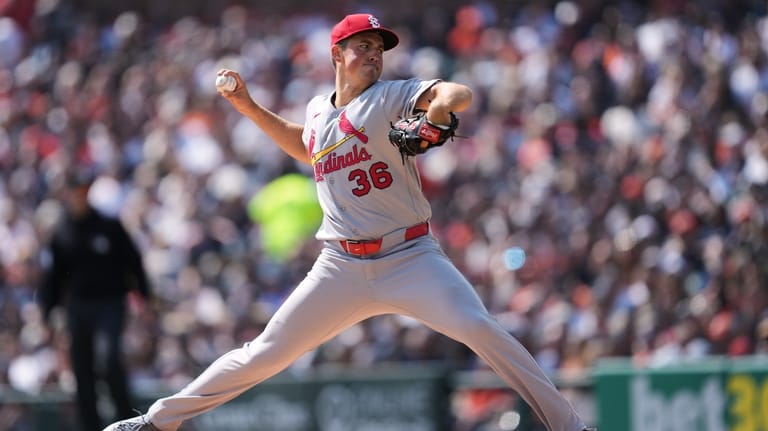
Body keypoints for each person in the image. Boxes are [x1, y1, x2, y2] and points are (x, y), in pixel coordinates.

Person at [104, 13, 594, 431]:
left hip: (411, 257)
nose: (374, 55)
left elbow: (456, 92)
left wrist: (439, 109)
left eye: (378, 48)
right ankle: (158, 421)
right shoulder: (319, 109)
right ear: (336, 54)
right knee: (264, 352)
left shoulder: (391, 96)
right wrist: (249, 107)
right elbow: (307, 146)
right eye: (363, 47)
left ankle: (570, 427)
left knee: (481, 329)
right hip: (340, 265)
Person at [38, 168, 152, 431]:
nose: (80, 196)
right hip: (78, 307)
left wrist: (143, 296)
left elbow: (132, 261)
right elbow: (53, 277)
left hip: (110, 303)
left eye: (84, 190)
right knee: (82, 369)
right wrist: (47, 313)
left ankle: (127, 421)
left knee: (108, 360)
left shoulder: (108, 226)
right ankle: (90, 426)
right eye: (76, 191)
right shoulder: (62, 231)